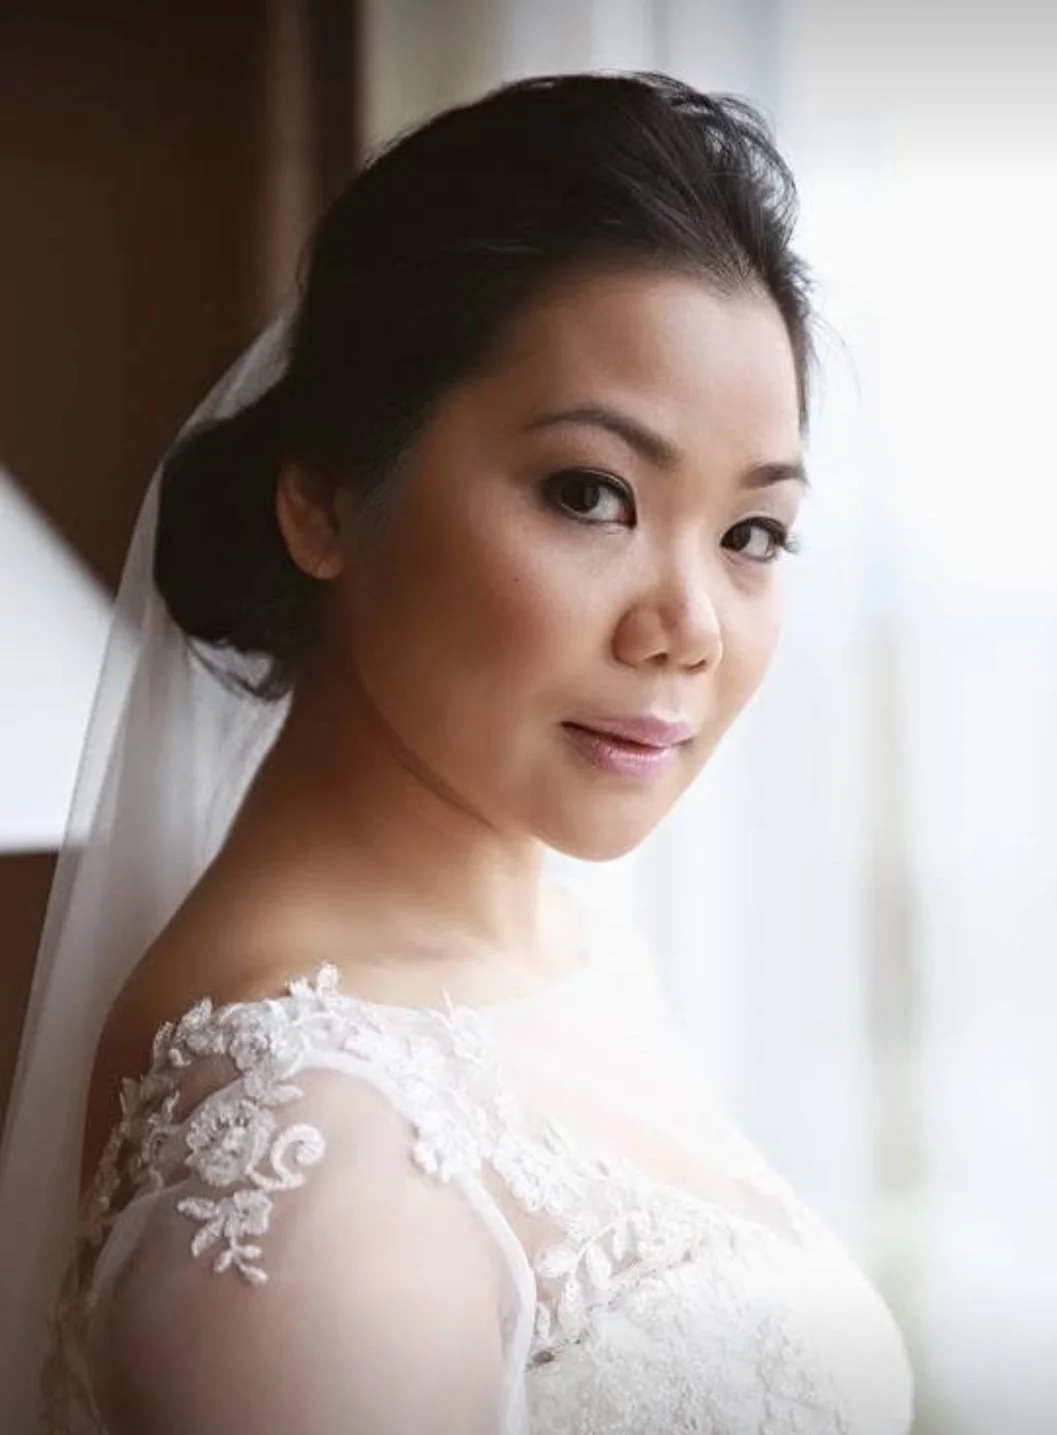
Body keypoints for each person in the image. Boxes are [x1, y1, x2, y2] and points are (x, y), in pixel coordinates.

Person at [0, 71, 915, 1434]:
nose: (689, 627)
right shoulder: (318, 1161)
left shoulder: (557, 939)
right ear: (322, 497)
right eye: (591, 493)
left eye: (751, 535)